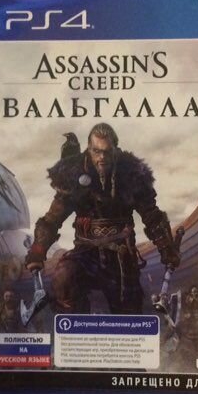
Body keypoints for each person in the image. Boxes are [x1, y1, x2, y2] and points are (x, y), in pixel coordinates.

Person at [25, 123, 180, 314]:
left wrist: (167, 248)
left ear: (115, 150)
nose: (101, 158)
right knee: (64, 278)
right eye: (96, 151)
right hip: (85, 252)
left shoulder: (131, 174)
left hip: (121, 256)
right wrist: (38, 250)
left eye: (106, 152)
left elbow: (152, 216)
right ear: (88, 149)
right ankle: (74, 329)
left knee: (128, 312)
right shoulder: (74, 174)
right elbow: (52, 219)